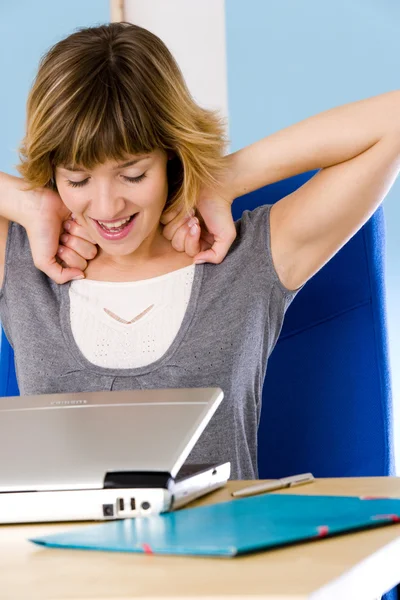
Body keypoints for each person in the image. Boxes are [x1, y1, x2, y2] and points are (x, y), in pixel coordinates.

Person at [1, 22, 399, 479]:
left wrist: (221, 179)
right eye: (78, 179)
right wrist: (30, 204)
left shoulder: (248, 262)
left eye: (132, 175)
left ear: (171, 154)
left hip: (212, 548)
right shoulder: (22, 262)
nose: (107, 206)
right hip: (53, 553)